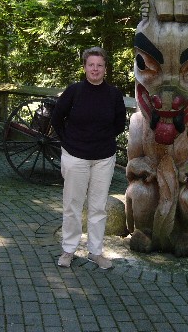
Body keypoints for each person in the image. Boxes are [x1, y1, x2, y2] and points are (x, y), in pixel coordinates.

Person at [51, 47, 127, 269]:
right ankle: (68, 250)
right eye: (91, 65)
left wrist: (101, 141)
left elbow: (119, 124)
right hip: (75, 157)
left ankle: (96, 252)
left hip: (103, 158)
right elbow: (57, 118)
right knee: (72, 205)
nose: (95, 69)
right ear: (84, 67)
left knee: (98, 207)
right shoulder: (74, 92)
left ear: (105, 69)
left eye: (99, 65)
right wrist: (69, 142)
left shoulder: (113, 95)